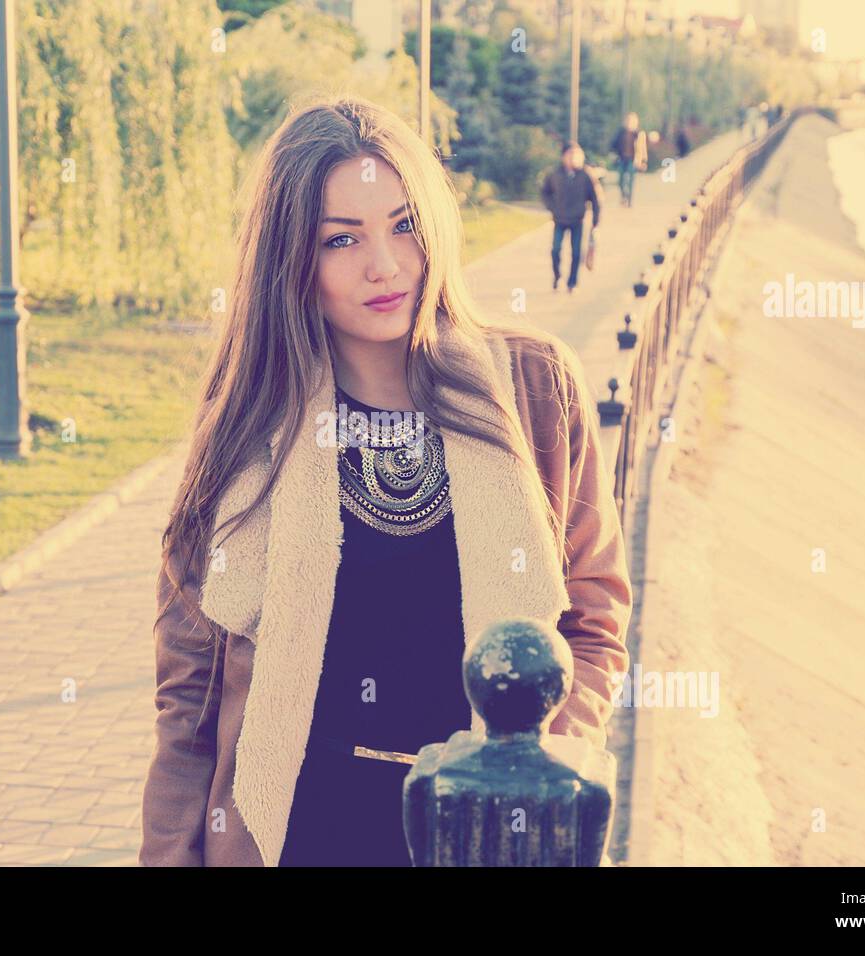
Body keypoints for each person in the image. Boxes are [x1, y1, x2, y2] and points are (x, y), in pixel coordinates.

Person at [137, 95, 633, 868]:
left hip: (482, 828)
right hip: (299, 827)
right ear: (291, 260)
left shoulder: (534, 389)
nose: (386, 265)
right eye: (342, 239)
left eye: (404, 225)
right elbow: (190, 698)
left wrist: (534, 772)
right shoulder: (247, 429)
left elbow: (593, 618)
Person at [539, 143, 603, 293]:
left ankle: (572, 282)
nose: (574, 158)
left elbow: (595, 199)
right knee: (555, 250)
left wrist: (595, 222)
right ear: (564, 156)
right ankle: (557, 276)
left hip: (577, 220)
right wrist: (552, 207)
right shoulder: (555, 174)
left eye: (577, 154)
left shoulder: (585, 176)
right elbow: (545, 192)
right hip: (559, 219)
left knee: (576, 253)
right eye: (570, 154)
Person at [610, 112, 644, 207]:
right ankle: (623, 195)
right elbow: (614, 144)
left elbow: (642, 149)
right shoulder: (621, 132)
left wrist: (642, 161)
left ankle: (629, 200)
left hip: (632, 160)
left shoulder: (637, 134)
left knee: (630, 181)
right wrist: (613, 154)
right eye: (629, 120)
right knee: (620, 180)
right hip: (621, 159)